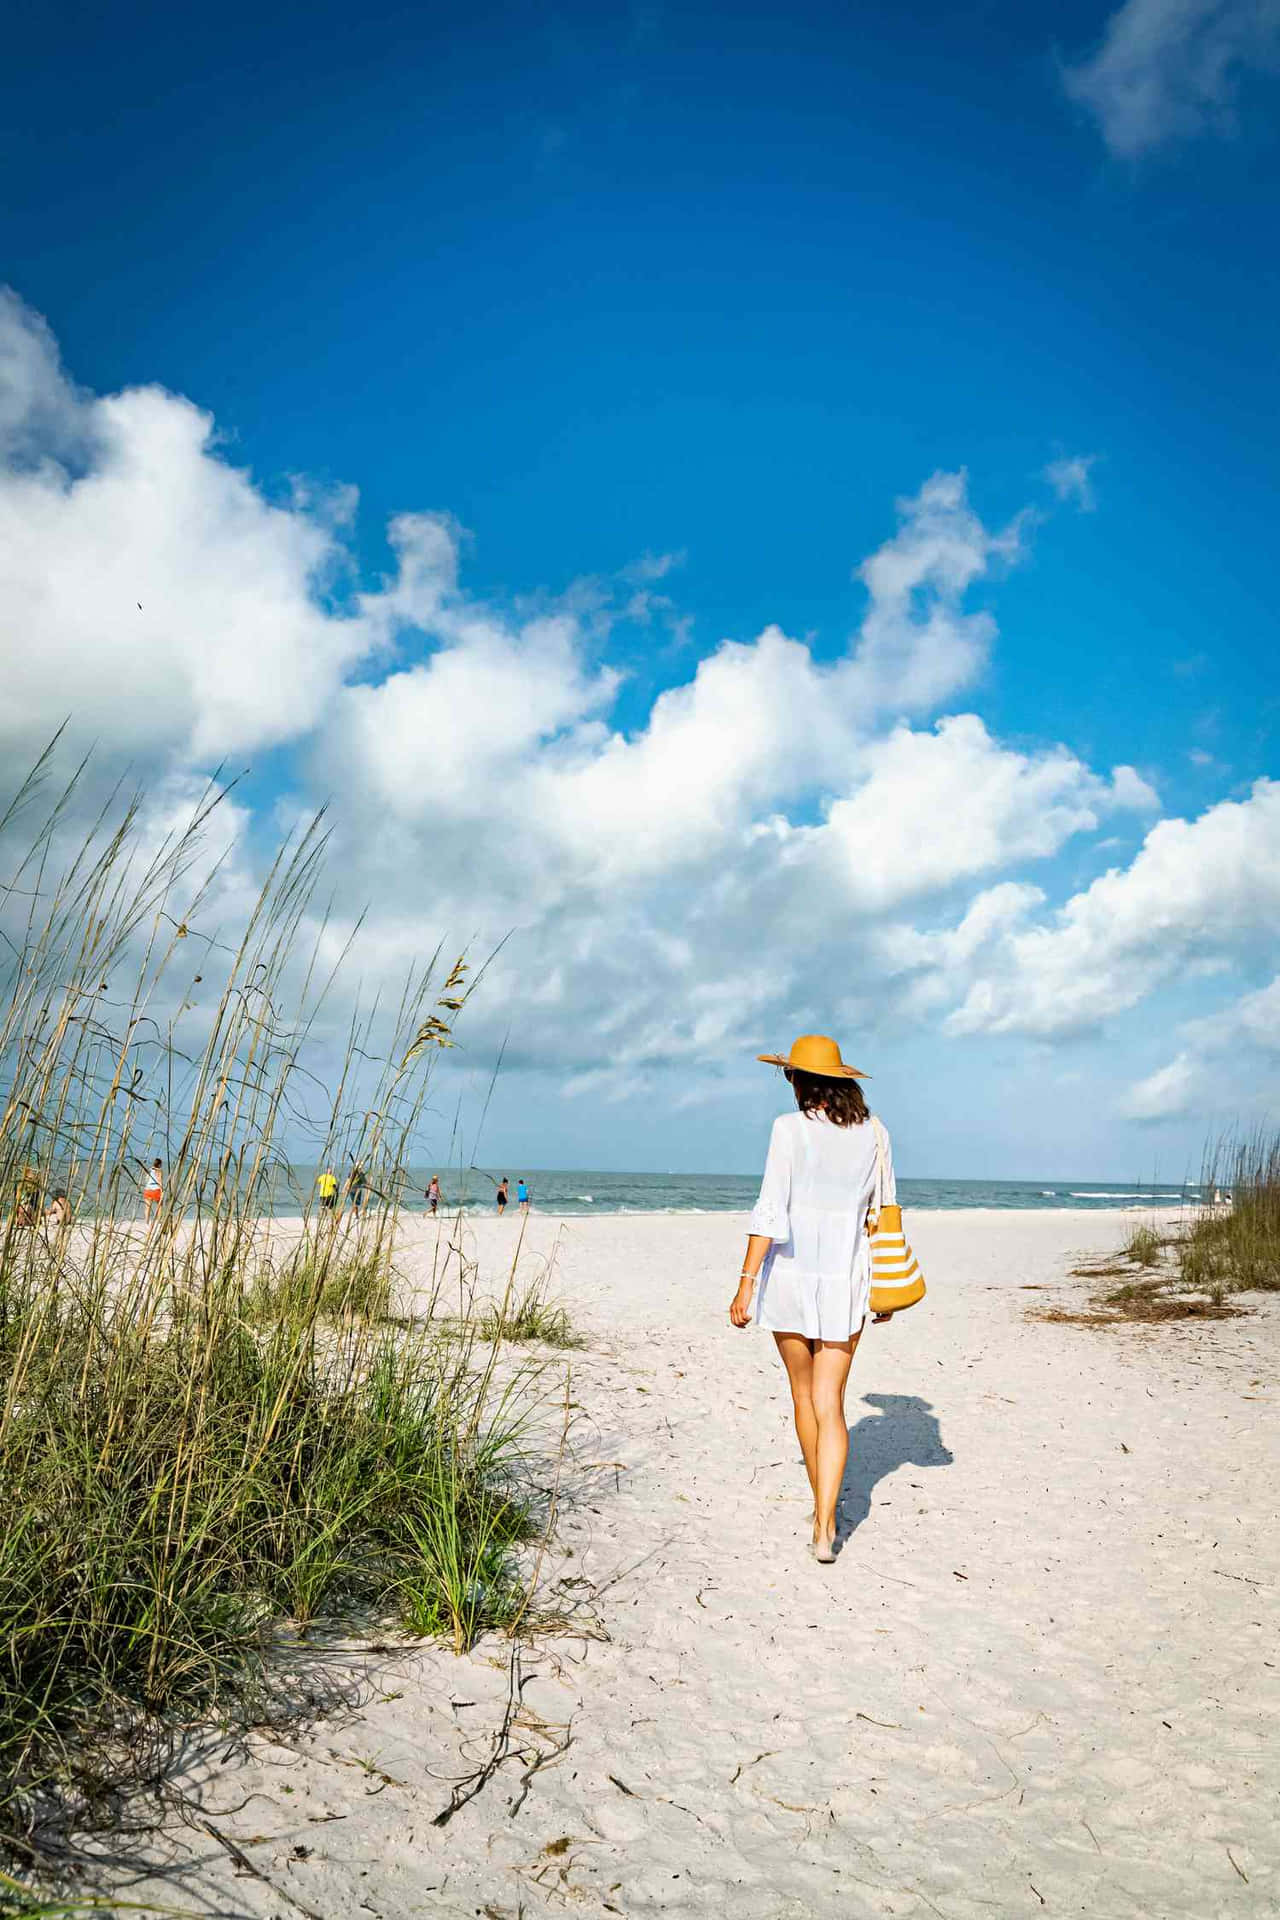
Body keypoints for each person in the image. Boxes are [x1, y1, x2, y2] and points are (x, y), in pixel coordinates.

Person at [728, 1034, 895, 1566]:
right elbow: (885, 1212)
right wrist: (885, 1286)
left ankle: (819, 1510)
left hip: (793, 1280)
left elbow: (770, 1212)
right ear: (842, 1081)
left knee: (803, 1399)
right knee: (832, 1404)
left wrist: (745, 1282)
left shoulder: (788, 1131)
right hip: (848, 1279)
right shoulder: (874, 1133)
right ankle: (826, 1525)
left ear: (798, 1079)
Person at [142, 1157, 163, 1224]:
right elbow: (159, 1180)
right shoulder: (159, 1171)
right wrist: (162, 1190)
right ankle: (159, 1221)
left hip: (148, 1190)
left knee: (147, 1207)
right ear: (159, 1164)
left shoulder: (149, 1170)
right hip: (156, 1190)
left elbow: (146, 1179)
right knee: (160, 1206)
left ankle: (146, 1221)